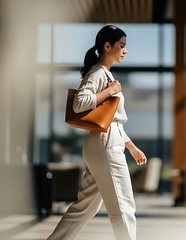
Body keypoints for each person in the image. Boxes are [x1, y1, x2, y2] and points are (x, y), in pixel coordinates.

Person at [47, 25, 147, 240]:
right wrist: (109, 91)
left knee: (84, 208)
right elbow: (79, 104)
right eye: (122, 46)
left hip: (104, 142)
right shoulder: (98, 73)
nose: (125, 51)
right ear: (107, 46)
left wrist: (131, 147)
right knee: (123, 206)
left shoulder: (105, 74)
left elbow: (113, 121)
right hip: (106, 144)